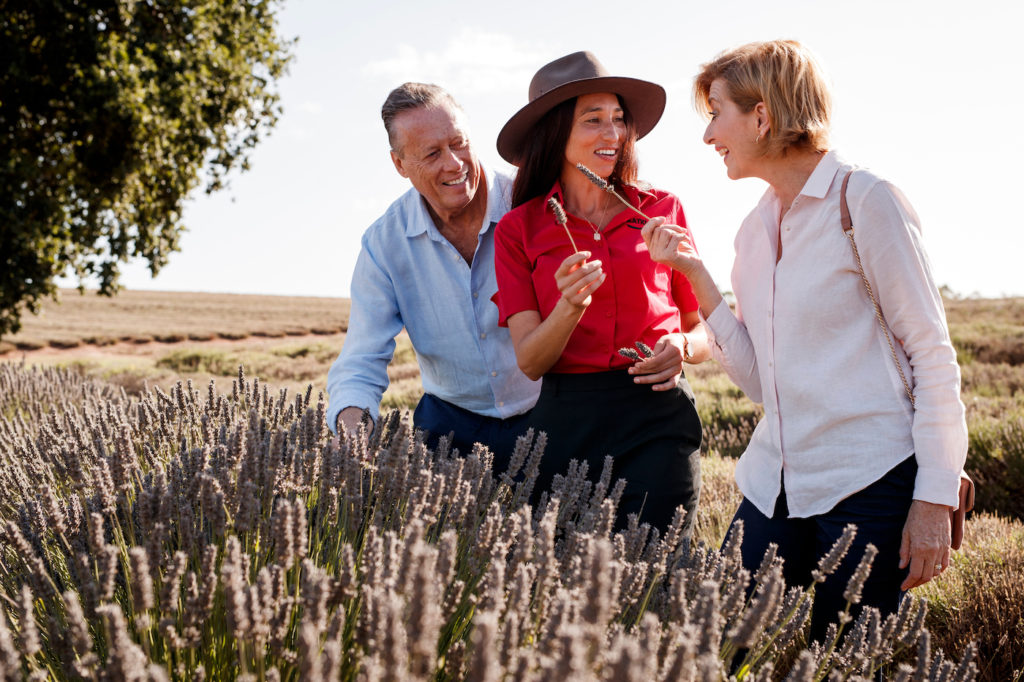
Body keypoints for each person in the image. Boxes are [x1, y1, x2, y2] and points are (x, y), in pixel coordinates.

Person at [642, 40, 968, 639]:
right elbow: (763, 383)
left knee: (844, 656)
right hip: (774, 484)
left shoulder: (865, 200)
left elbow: (932, 353)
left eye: (717, 113)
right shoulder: (753, 232)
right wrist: (695, 276)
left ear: (762, 115)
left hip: (870, 485)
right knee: (724, 640)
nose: (708, 134)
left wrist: (933, 499)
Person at [493, 51, 710, 536]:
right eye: (594, 121)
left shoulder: (661, 209)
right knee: (565, 583)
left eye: (618, 120)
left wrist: (681, 348)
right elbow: (530, 360)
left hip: (657, 411)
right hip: (567, 422)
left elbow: (702, 328)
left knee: (656, 575)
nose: (613, 135)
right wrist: (568, 307)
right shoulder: (518, 230)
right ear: (555, 130)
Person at [327, 83, 539, 471]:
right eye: (432, 153)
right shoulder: (384, 244)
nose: (454, 163)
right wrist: (352, 432)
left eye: (459, 143)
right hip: (451, 423)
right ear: (399, 165)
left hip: (549, 412)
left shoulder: (530, 205)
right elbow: (361, 358)